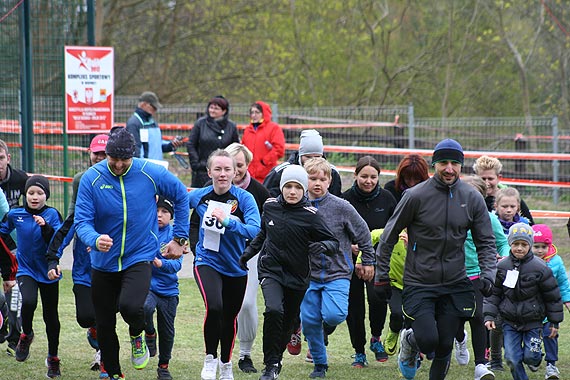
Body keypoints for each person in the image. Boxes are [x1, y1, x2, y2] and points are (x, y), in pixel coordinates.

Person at [374, 138, 498, 380]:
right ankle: (410, 339)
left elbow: (486, 241)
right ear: (434, 164)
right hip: (420, 281)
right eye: (443, 163)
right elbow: (388, 237)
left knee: (444, 345)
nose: (449, 168)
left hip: (454, 282)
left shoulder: (472, 198)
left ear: (461, 166)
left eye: (454, 163)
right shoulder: (415, 196)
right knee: (428, 340)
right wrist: (381, 276)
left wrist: (488, 274)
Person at [74, 126, 190, 380]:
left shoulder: (149, 172)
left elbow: (182, 195)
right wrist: (94, 239)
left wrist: (180, 238)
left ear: (133, 156)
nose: (117, 165)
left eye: (124, 160)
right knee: (104, 322)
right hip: (103, 261)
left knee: (129, 306)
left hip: (139, 256)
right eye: (113, 159)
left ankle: (138, 332)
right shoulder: (91, 179)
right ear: (106, 154)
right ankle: (114, 372)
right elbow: (81, 221)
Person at [239, 165, 339, 380]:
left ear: (304, 190)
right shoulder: (270, 206)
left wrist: (322, 247)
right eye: (288, 186)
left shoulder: (311, 215)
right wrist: (247, 253)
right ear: (282, 187)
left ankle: (277, 358)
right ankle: (270, 365)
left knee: (288, 320)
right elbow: (263, 233)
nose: (292, 191)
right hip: (270, 269)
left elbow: (333, 242)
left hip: (298, 276)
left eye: (297, 187)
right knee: (274, 310)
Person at [189, 149, 261, 380]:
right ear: (209, 172)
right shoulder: (199, 196)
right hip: (207, 261)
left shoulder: (244, 199)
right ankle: (210, 359)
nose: (222, 174)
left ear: (235, 172)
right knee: (215, 306)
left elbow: (255, 230)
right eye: (217, 169)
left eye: (227, 169)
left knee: (229, 316)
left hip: (236, 265)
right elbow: (175, 200)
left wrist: (230, 222)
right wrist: (179, 237)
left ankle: (226, 364)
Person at [300, 157, 375, 378]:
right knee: (309, 322)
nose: (317, 183)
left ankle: (324, 327)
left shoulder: (342, 207)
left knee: (334, 315)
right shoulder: (298, 205)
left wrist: (368, 260)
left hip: (338, 272)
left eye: (322, 179)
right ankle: (320, 364)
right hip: (308, 275)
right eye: (312, 179)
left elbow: (363, 234)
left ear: (330, 180)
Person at [45, 134, 108, 375]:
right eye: (97, 153)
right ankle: (92, 329)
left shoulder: (122, 185)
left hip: (109, 268)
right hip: (83, 268)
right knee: (85, 317)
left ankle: (105, 360)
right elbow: (70, 223)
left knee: (107, 313)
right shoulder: (82, 180)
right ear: (90, 154)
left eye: (105, 154)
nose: (100, 158)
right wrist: (54, 257)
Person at [0, 175, 63, 378]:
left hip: (48, 271)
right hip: (26, 269)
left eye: (40, 193)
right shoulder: (15, 214)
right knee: (28, 301)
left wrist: (45, 226)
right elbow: (2, 231)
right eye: (31, 193)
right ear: (25, 195)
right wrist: (9, 251)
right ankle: (26, 334)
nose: (35, 197)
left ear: (47, 195)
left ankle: (53, 359)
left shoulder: (53, 214)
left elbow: (57, 242)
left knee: (50, 316)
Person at [484, 223, 563, 380]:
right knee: (512, 359)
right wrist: (489, 316)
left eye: (524, 244)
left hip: (533, 321)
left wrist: (554, 322)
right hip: (509, 322)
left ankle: (534, 355)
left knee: (531, 357)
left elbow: (552, 296)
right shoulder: (502, 267)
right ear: (510, 244)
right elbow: (493, 294)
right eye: (515, 244)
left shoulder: (541, 268)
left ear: (530, 245)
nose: (519, 248)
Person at [341, 156, 398, 367]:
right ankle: (358, 351)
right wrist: (350, 247)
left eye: (373, 177)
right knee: (354, 307)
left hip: (378, 261)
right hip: (350, 260)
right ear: (355, 175)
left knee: (377, 299)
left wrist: (373, 255)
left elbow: (394, 230)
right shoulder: (344, 199)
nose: (368, 181)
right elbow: (336, 229)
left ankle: (376, 338)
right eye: (364, 176)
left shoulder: (387, 199)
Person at [453, 175, 510, 380]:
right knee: (456, 319)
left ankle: (481, 365)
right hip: (453, 275)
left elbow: (502, 242)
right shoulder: (451, 215)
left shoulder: (489, 218)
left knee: (478, 316)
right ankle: (460, 339)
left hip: (479, 273)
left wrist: (504, 256)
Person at [143, 196, 183, 380]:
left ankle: (163, 366)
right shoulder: (144, 229)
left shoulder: (176, 235)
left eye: (165, 212)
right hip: (147, 286)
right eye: (157, 211)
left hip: (168, 290)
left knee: (167, 331)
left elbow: (177, 265)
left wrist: (161, 264)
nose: (159, 215)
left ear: (171, 215)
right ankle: (150, 333)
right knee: (145, 308)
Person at [531, 224, 570, 380]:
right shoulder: (525, 261)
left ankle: (551, 366)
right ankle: (533, 357)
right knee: (532, 336)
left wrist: (567, 301)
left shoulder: (556, 261)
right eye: (536, 246)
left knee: (550, 335)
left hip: (550, 309)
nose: (540, 250)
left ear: (550, 245)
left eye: (544, 246)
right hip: (530, 309)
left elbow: (563, 284)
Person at [0, 139, 28, 356]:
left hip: (14, 245)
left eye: (0, 158)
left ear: (8, 159)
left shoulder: (21, 179)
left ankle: (16, 335)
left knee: (13, 289)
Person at [263, 129, 342, 198]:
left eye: (317, 157)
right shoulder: (280, 172)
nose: (313, 161)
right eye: (308, 157)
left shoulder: (332, 172)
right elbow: (267, 198)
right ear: (301, 155)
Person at [187, 96, 239, 188]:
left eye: (216, 108)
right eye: (211, 107)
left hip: (223, 172)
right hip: (202, 170)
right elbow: (191, 144)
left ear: (224, 111)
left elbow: (235, 147)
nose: (212, 110)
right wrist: (195, 163)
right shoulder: (200, 124)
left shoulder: (231, 127)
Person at [472, 155, 534, 224]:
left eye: (490, 179)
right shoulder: (473, 198)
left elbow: (530, 224)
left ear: (499, 178)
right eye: (483, 179)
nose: (486, 183)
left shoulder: (511, 197)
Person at [126, 91, 183, 161]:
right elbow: (135, 151)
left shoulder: (153, 122)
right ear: (143, 104)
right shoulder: (134, 123)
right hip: (144, 168)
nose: (156, 109)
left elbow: (158, 145)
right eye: (153, 106)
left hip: (156, 167)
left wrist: (171, 145)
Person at [241, 101, 285, 183]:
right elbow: (243, 149)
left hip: (267, 174)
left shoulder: (273, 128)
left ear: (264, 113)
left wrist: (264, 162)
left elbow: (279, 149)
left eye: (257, 112)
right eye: (252, 112)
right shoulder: (248, 130)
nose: (254, 115)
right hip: (249, 174)